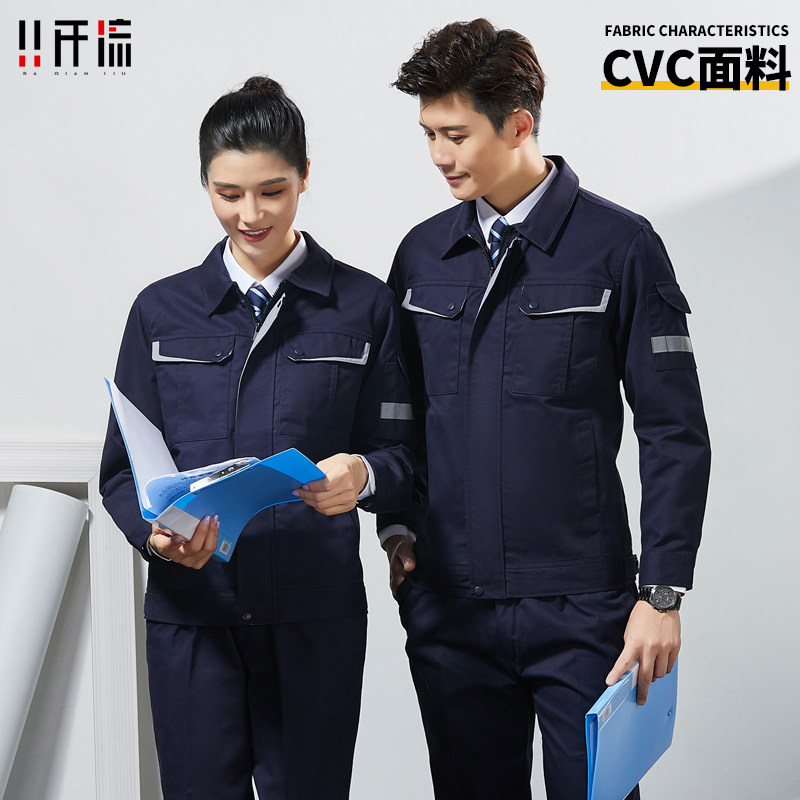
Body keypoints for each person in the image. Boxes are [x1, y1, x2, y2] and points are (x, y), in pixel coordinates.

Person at [379, 19, 711, 800]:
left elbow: (674, 431)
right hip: (451, 608)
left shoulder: (619, 246)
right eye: (428, 134)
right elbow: (396, 415)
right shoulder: (422, 257)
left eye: (456, 135)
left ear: (519, 124)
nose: (439, 155)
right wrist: (395, 527)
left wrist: (662, 594)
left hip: (585, 612)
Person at [100, 75, 413, 800]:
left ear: (305, 176)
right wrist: (157, 539)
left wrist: (362, 476)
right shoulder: (161, 312)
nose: (250, 214)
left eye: (272, 191)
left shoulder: (363, 306)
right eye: (228, 193)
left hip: (313, 616)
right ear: (205, 184)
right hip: (192, 613)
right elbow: (120, 473)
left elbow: (405, 454)